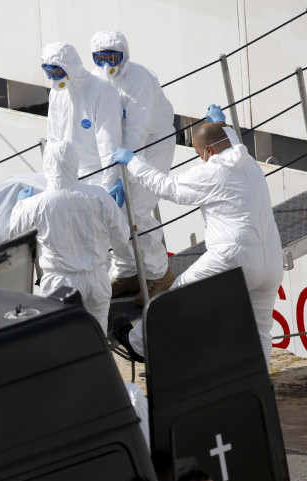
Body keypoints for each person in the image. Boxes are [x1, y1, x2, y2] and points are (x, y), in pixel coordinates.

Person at [113, 107, 283, 366]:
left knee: (175, 296)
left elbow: (166, 187)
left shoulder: (211, 171)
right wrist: (220, 122)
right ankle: (260, 382)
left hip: (232, 257)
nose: (200, 159)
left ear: (209, 151)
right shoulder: (245, 159)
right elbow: (229, 140)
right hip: (271, 259)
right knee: (260, 327)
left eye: (198, 154)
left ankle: (138, 345)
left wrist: (132, 161)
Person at [90, 30, 176, 305]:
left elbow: (137, 130)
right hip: (120, 149)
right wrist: (111, 172)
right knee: (114, 213)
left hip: (152, 144)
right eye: (100, 58)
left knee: (136, 210)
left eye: (112, 57)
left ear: (124, 54)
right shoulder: (98, 80)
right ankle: (128, 272)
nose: (107, 64)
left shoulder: (139, 79)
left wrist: (120, 174)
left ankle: (158, 275)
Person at [9, 141, 130, 334]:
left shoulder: (36, 205)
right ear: (75, 163)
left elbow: (14, 233)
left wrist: (20, 205)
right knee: (97, 338)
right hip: (97, 278)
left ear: (47, 165)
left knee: (62, 341)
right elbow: (122, 237)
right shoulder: (98, 195)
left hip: (60, 283)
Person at [41, 42, 122, 191]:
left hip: (95, 176)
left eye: (57, 73)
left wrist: (110, 181)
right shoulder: (57, 93)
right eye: (49, 74)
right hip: (65, 176)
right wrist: (52, 178)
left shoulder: (101, 90)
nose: (53, 79)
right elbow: (53, 137)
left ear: (70, 67)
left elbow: (108, 141)